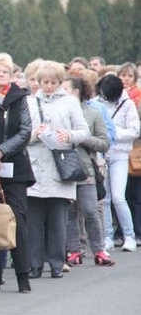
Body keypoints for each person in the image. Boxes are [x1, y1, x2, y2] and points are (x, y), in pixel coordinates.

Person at [24, 61, 90, 278]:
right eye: (45, 82)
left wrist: (68, 136)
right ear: (38, 82)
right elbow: (20, 134)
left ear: (60, 82)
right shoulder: (29, 102)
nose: (49, 86)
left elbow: (84, 131)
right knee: (33, 223)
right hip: (34, 168)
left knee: (57, 222)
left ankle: (56, 263)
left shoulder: (70, 102)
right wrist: (35, 133)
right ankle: (34, 265)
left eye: (53, 82)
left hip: (61, 167)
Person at [0, 53, 35, 293]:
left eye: (5, 71)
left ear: (12, 75)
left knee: (17, 219)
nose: (1, 74)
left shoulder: (19, 97)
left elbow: (25, 130)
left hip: (15, 167)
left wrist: (0, 151)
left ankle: (23, 275)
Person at [62, 76, 113, 266]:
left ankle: (99, 250)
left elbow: (105, 143)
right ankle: (74, 250)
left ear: (76, 92)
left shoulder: (93, 113)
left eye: (65, 88)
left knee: (91, 210)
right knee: (69, 212)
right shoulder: (59, 113)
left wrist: (82, 137)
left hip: (86, 169)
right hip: (64, 168)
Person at [97, 74, 139, 252]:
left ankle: (129, 235)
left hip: (120, 155)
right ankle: (107, 236)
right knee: (104, 198)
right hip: (101, 154)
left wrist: (113, 133)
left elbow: (135, 130)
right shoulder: (96, 102)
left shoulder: (127, 104)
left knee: (118, 197)